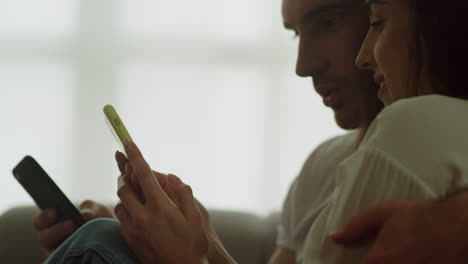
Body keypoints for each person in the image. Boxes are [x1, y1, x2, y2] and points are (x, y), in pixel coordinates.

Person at [34, 0, 383, 263]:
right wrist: (199, 241)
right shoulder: (321, 166)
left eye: (328, 22)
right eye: (295, 33)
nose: (303, 65)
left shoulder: (409, 174)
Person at [297, 0, 468, 263]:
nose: (363, 57)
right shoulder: (322, 164)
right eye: (295, 33)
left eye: (376, 22)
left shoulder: (412, 125)